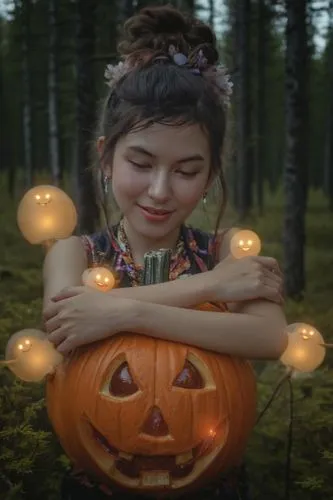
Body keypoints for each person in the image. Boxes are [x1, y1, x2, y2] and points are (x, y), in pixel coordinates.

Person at [42, 5, 287, 499]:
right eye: (141, 162)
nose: (159, 190)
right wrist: (210, 287)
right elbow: (65, 319)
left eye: (186, 170)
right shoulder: (74, 253)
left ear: (211, 174)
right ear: (106, 156)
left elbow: (269, 336)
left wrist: (122, 311)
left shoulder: (226, 248)